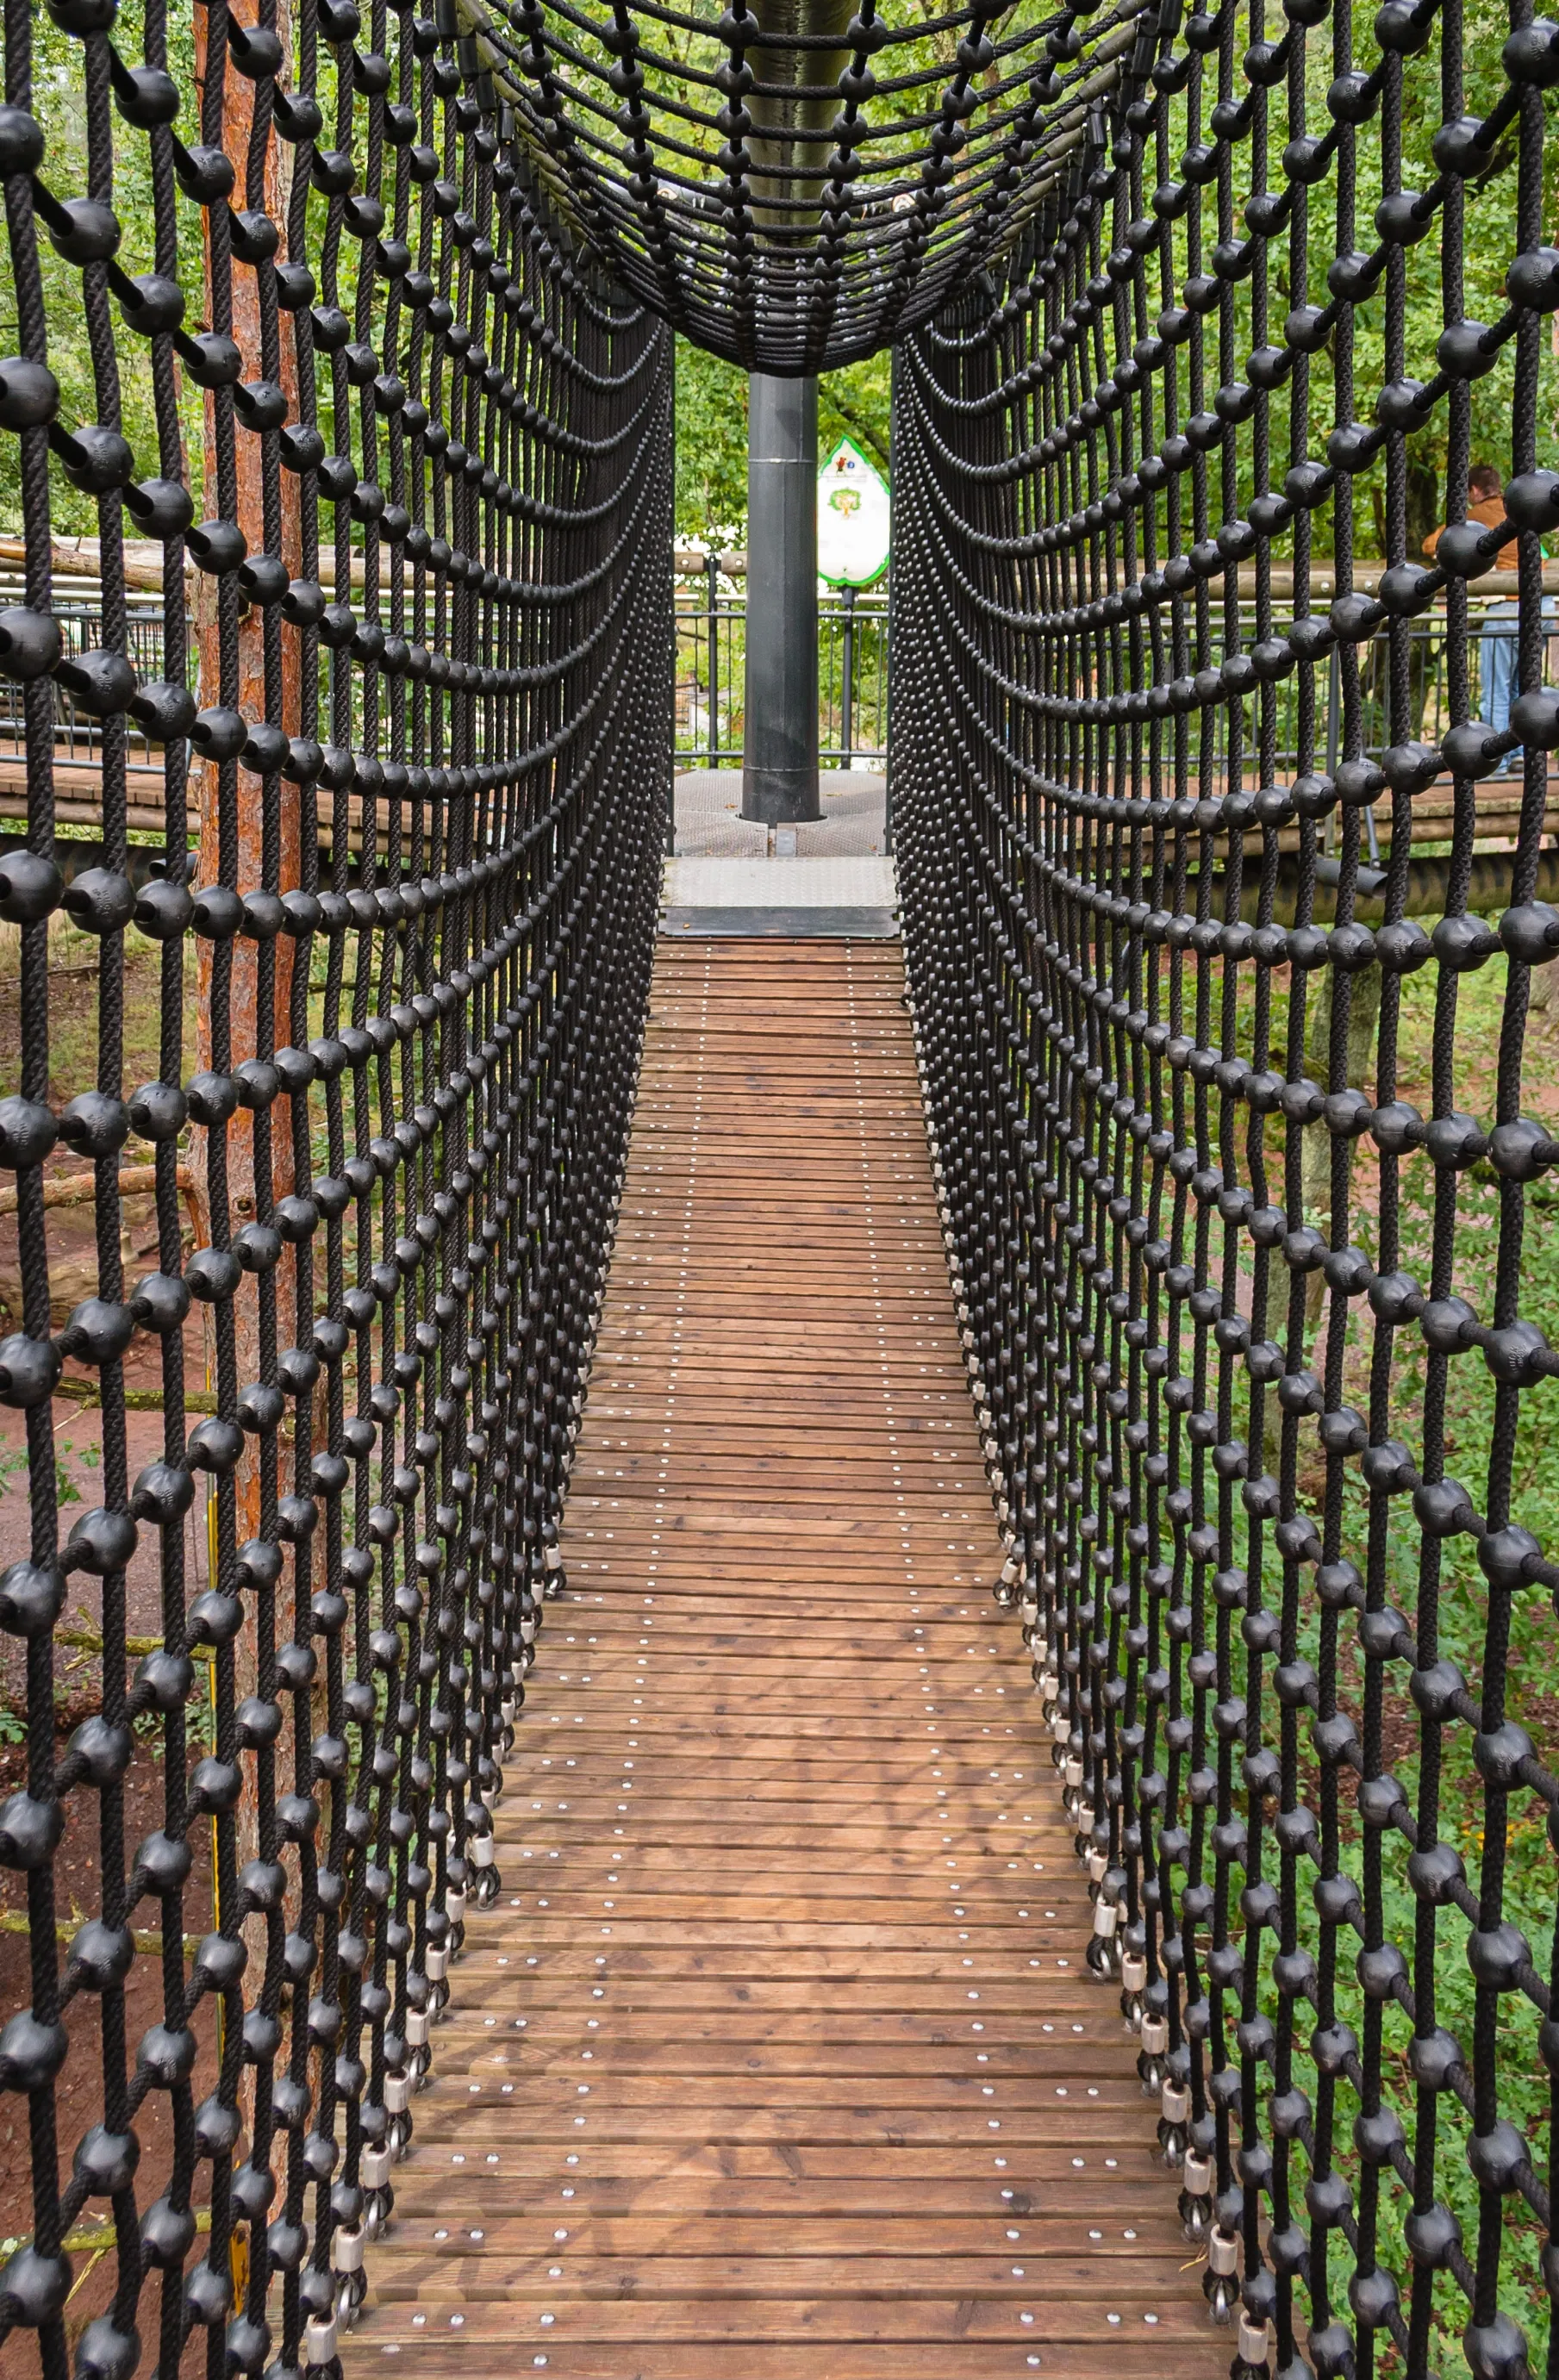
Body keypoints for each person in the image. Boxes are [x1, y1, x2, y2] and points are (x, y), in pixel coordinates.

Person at [1425, 464, 1555, 772]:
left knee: (1497, 689)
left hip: (1506, 611)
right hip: (1543, 608)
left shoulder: (1476, 518)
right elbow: (1545, 557)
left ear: (1472, 491)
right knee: (1527, 689)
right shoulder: (1524, 511)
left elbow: (1433, 544)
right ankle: (1523, 754)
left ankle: (1496, 761)